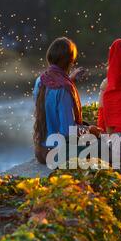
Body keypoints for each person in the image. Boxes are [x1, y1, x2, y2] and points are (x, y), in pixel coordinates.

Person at [33, 37, 100, 165]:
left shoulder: (40, 81)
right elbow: (68, 131)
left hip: (41, 151)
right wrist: (90, 129)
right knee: (104, 146)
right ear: (70, 62)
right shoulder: (64, 89)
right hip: (58, 154)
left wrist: (70, 79)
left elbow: (50, 102)